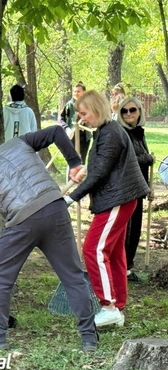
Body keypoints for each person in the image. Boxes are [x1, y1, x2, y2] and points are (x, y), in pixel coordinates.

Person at [0, 126, 98, 352]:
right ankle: (89, 338)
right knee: (72, 276)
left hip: (22, 222)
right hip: (55, 209)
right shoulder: (19, 142)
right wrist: (75, 162)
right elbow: (57, 131)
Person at [66, 90, 150, 327]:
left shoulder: (111, 133)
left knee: (93, 248)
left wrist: (72, 198)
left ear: (97, 109)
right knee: (113, 253)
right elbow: (101, 165)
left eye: (84, 113)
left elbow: (102, 172)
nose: (82, 119)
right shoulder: (105, 131)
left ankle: (108, 306)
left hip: (118, 198)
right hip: (117, 198)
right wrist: (84, 170)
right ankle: (118, 307)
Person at [117, 96, 155, 283]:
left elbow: (142, 166)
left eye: (132, 110)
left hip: (138, 188)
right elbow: (127, 161)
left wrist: (148, 188)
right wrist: (148, 158)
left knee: (135, 230)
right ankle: (122, 269)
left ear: (139, 111)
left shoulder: (139, 132)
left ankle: (127, 268)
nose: (129, 114)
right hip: (125, 189)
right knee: (127, 230)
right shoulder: (121, 134)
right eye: (124, 111)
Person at [59, 82, 92, 163]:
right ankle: (71, 175)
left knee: (82, 160)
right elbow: (61, 119)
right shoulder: (69, 105)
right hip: (72, 136)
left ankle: (81, 175)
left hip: (85, 136)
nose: (76, 93)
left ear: (84, 92)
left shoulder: (89, 104)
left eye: (78, 91)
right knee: (73, 161)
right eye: (75, 91)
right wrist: (67, 129)